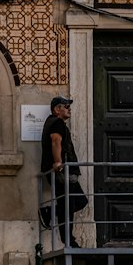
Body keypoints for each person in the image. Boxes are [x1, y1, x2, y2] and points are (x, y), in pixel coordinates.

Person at [39, 95, 88, 246]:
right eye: (66, 106)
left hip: (67, 172)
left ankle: (49, 212)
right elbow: (55, 141)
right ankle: (69, 241)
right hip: (63, 172)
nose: (69, 109)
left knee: (79, 201)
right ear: (57, 109)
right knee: (67, 205)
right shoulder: (57, 123)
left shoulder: (54, 123)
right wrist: (58, 162)